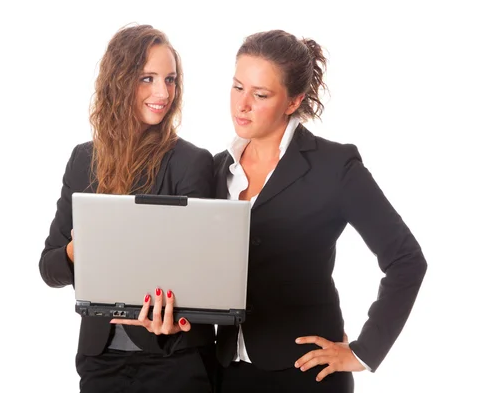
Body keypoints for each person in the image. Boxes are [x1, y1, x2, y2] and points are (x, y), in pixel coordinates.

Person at [213, 29, 428, 392]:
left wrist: (364, 352)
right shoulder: (216, 168)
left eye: (260, 94)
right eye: (237, 87)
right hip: (227, 372)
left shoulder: (334, 166)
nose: (242, 104)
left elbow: (406, 259)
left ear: (293, 101)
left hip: (307, 375)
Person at [39, 24, 216, 393]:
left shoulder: (191, 162)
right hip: (100, 360)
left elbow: (199, 271)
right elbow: (50, 267)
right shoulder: (83, 160)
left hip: (173, 357)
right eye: (147, 78)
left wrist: (173, 314)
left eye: (170, 80)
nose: (162, 92)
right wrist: (76, 250)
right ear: (119, 82)